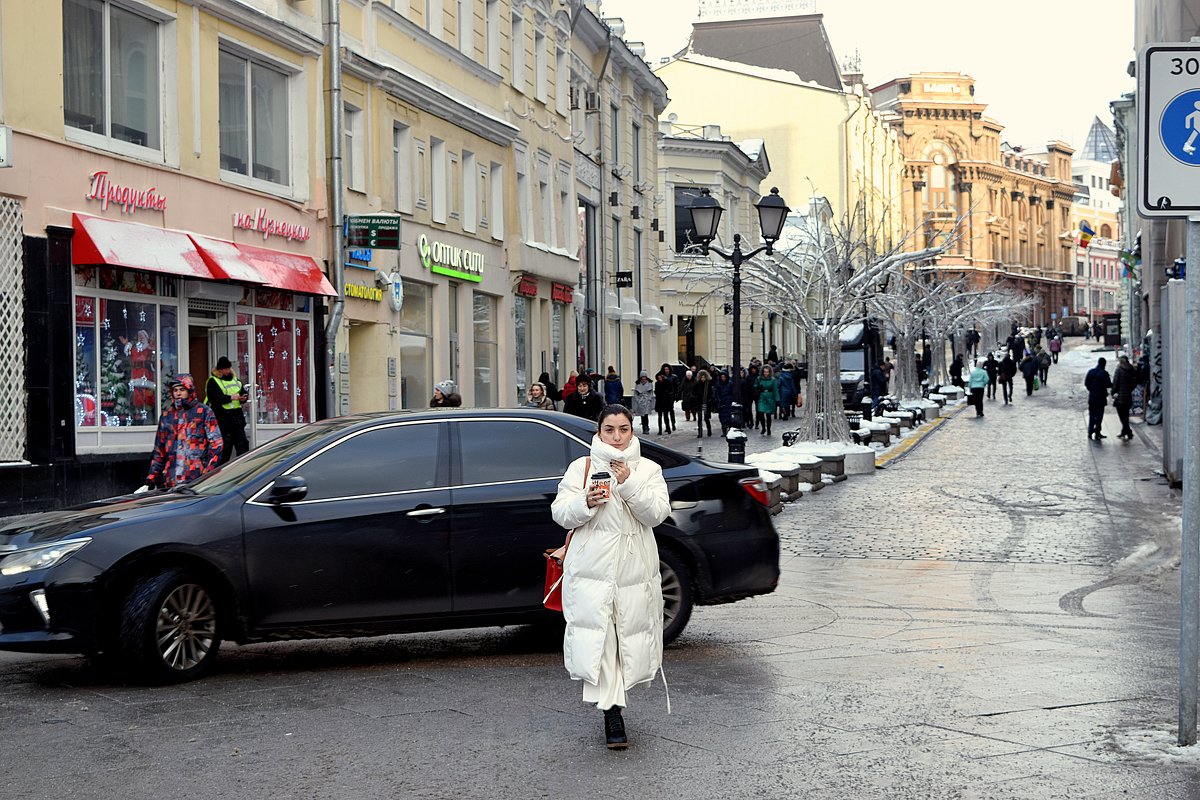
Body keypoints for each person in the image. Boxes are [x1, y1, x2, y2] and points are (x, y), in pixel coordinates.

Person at [551, 404, 671, 750]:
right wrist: (585, 502)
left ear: (632, 432)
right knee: (602, 641)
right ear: (599, 432)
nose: (617, 437)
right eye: (609, 430)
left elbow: (657, 514)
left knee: (625, 640)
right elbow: (560, 512)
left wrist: (629, 483)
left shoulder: (648, 469)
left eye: (623, 429)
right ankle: (612, 713)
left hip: (634, 569)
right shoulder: (582, 467)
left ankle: (616, 702)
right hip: (592, 570)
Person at [144, 374, 223, 491]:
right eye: (175, 390)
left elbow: (216, 444)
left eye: (182, 389)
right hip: (170, 480)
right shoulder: (167, 416)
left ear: (189, 390)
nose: (178, 393)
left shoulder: (204, 412)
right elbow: (159, 450)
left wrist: (207, 473)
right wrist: (151, 478)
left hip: (196, 479)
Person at [205, 356, 250, 465]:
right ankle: (221, 472)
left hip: (237, 419)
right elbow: (214, 398)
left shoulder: (236, 380)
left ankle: (243, 469)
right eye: (225, 369)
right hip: (223, 419)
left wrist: (243, 398)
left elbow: (241, 392)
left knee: (243, 446)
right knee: (225, 449)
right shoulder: (213, 381)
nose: (227, 371)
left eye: (228, 368)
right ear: (220, 369)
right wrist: (230, 398)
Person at [1084, 357, 1113, 440]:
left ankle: (1090, 432)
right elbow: (1108, 384)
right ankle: (1097, 432)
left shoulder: (1091, 372)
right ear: (1104, 364)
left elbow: (1086, 383)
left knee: (1092, 415)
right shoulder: (1104, 373)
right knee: (1099, 415)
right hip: (1101, 398)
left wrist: (1091, 390)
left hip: (1092, 397)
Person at [1111, 355, 1139, 440]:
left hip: (1120, 396)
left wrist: (1113, 392)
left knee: (1122, 416)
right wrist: (1129, 389)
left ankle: (1128, 432)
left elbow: (1115, 382)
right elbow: (1135, 382)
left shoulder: (1119, 369)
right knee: (1126, 415)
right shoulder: (1131, 369)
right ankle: (1125, 432)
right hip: (1128, 396)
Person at [755, 364, 780, 436]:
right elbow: (755, 386)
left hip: (770, 397)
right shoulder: (759, 379)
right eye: (764, 372)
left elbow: (775, 390)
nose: (766, 373)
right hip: (762, 397)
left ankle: (768, 428)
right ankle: (763, 427)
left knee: (768, 415)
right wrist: (758, 388)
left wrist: (777, 400)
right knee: (760, 412)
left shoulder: (773, 380)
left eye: (767, 372)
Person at [694, 368, 715, 438]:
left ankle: (709, 431)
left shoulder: (708, 385)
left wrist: (709, 399)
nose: (703, 379)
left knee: (706, 418)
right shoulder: (697, 384)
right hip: (699, 402)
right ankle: (700, 433)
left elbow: (711, 393)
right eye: (702, 377)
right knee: (699, 418)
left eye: (704, 377)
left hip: (706, 402)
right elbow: (694, 393)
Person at [713, 370, 735, 436]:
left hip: (728, 401)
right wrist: (717, 400)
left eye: (724, 377)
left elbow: (732, 392)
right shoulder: (718, 384)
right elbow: (716, 393)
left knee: (728, 416)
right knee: (722, 417)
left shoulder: (730, 383)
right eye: (722, 377)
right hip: (721, 402)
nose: (723, 378)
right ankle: (724, 430)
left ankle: (728, 428)